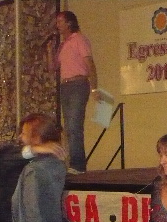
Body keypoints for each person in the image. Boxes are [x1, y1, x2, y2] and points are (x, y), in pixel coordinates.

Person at [46, 10, 98, 174]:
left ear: (69, 23)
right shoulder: (63, 45)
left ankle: (78, 165)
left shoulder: (79, 39)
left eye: (60, 22)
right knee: (68, 128)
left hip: (78, 84)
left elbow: (90, 64)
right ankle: (72, 163)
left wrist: (94, 88)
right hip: (65, 86)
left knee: (75, 126)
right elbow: (52, 68)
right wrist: (49, 50)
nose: (57, 25)